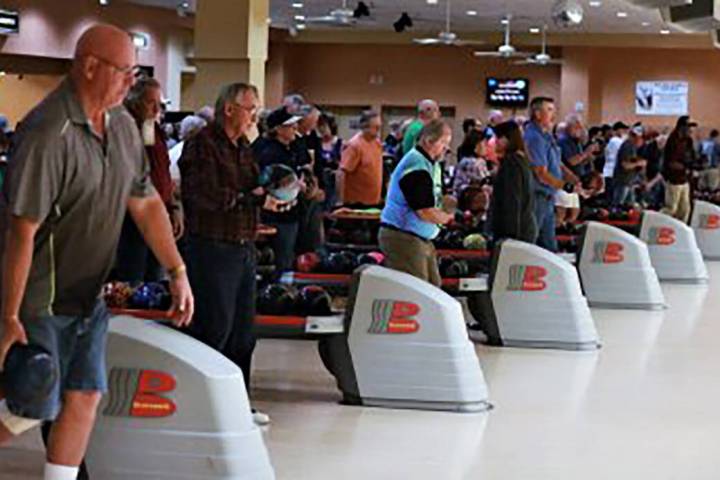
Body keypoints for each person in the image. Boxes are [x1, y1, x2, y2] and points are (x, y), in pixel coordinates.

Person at [0, 24, 193, 480]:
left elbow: (144, 203)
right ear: (89, 66)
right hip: (39, 298)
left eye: (134, 72)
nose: (131, 81)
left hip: (89, 295)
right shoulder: (49, 132)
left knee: (85, 394)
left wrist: (176, 269)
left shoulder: (124, 127)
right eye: (124, 71)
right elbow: (20, 232)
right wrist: (8, 316)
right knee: (29, 405)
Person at [179, 82, 270, 426]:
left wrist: (268, 195)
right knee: (214, 329)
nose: (254, 115)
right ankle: (203, 404)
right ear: (229, 109)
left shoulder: (243, 146)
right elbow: (204, 196)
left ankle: (237, 404)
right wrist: (252, 197)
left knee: (243, 334)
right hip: (212, 248)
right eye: (251, 108)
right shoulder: (201, 144)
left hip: (243, 246)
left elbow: (251, 188)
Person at [113, 76, 184, 282]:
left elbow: (163, 173)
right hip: (133, 220)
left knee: (155, 278)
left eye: (158, 104)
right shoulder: (124, 131)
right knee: (132, 278)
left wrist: (173, 207)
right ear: (134, 103)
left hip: (160, 215)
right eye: (150, 103)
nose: (156, 110)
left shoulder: (155, 131)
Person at [379, 120, 454, 287]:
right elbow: (424, 211)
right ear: (428, 140)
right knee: (419, 293)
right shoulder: (415, 165)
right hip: (403, 237)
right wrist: (448, 219)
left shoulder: (431, 164)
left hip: (419, 238)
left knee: (434, 288)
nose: (446, 148)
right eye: (443, 142)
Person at [252, 107, 304, 272]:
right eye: (290, 126)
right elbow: (269, 184)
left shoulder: (290, 150)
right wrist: (295, 186)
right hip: (277, 216)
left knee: (288, 257)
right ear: (278, 129)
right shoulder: (270, 153)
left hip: (291, 212)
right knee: (282, 260)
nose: (295, 129)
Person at [524, 96, 579, 252]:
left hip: (548, 198)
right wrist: (566, 186)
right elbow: (540, 173)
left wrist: (575, 180)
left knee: (549, 246)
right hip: (537, 198)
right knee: (532, 243)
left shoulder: (547, 136)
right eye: (549, 110)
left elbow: (557, 163)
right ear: (537, 114)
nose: (553, 114)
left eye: (553, 110)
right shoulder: (534, 138)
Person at [490, 121, 537, 243]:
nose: (495, 142)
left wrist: (510, 237)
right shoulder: (522, 160)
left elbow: (512, 199)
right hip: (525, 225)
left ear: (507, 139)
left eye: (498, 138)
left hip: (516, 230)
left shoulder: (511, 163)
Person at [338, 110, 383, 207]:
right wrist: (340, 200)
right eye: (375, 127)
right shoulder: (354, 145)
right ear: (365, 127)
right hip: (356, 203)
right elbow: (342, 173)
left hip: (374, 201)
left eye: (379, 127)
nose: (378, 130)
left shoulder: (377, 144)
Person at [662, 115, 697, 223]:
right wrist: (685, 168)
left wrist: (695, 165)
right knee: (671, 208)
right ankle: (656, 222)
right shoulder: (673, 141)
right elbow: (671, 163)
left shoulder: (688, 141)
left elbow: (692, 158)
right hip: (673, 181)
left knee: (685, 210)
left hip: (684, 180)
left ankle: (679, 231)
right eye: (689, 126)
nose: (691, 129)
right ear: (681, 127)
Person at [612, 123, 647, 207]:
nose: (643, 142)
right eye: (642, 139)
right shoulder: (628, 146)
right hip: (623, 181)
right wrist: (639, 163)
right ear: (637, 137)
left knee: (629, 206)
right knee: (618, 206)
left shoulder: (632, 147)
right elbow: (625, 165)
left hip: (628, 182)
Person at [453, 129, 492, 198]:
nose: (487, 147)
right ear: (476, 145)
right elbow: (485, 182)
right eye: (484, 143)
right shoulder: (474, 163)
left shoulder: (466, 160)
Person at [317, 112, 343, 208]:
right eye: (320, 126)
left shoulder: (340, 143)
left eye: (324, 126)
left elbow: (342, 164)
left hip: (334, 182)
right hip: (321, 181)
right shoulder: (317, 143)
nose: (322, 129)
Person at [603, 121, 630, 199]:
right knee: (613, 196)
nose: (624, 132)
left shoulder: (613, 141)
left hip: (609, 171)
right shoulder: (616, 141)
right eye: (623, 130)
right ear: (618, 130)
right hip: (612, 171)